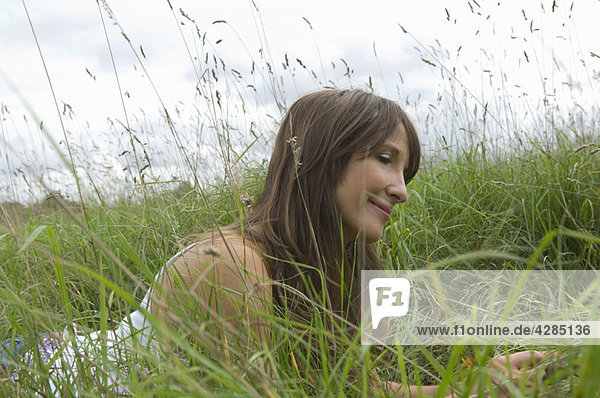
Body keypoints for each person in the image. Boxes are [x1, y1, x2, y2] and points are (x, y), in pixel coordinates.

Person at [2, 89, 547, 396]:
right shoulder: (232, 264)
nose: (401, 191)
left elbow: (353, 388)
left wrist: (469, 387)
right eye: (385, 159)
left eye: (407, 171)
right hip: (38, 371)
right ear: (322, 155)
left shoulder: (342, 271)